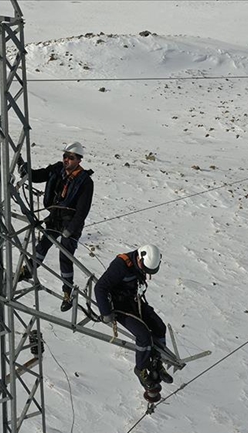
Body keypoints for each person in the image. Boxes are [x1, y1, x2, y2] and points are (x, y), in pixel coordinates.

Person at [18, 142, 94, 311]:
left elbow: (82, 211)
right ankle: (28, 270)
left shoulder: (85, 182)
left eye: (70, 157)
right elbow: (39, 175)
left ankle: (67, 292)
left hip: (70, 222)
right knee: (42, 246)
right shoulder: (57, 169)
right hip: (55, 217)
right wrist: (26, 171)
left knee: (65, 255)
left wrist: (70, 230)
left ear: (79, 160)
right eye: (65, 156)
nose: (66, 160)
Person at [94, 244, 173, 388]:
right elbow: (100, 287)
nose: (145, 272)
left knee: (159, 327)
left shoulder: (140, 264)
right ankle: (141, 369)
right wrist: (106, 313)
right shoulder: (121, 265)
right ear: (140, 258)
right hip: (119, 306)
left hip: (133, 301)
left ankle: (156, 363)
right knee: (143, 336)